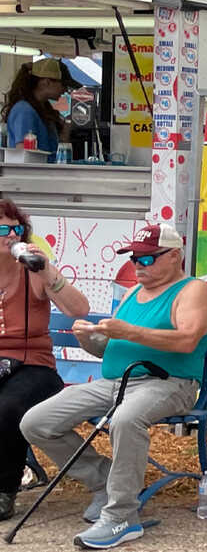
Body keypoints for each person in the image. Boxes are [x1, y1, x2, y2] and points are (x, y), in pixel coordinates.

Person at [21, 222, 207, 550]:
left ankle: (122, 516)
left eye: (148, 258)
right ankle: (106, 481)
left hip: (168, 383)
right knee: (36, 422)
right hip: (115, 382)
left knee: (125, 418)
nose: (138, 264)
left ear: (175, 256)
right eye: (135, 257)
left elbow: (187, 340)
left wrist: (129, 333)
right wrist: (89, 340)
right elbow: (111, 351)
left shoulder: (193, 290)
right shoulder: (134, 292)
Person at [0, 200, 90, 520]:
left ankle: (4, 489)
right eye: (2, 229)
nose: (11, 236)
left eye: (17, 229)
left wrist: (48, 271)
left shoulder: (34, 270)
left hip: (34, 366)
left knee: (7, 407)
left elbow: (79, 310)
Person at [4, 58, 69, 156]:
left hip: (43, 170)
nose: (65, 90)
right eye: (63, 85)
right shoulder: (25, 110)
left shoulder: (41, 109)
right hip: (33, 171)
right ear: (46, 82)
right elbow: (25, 156)